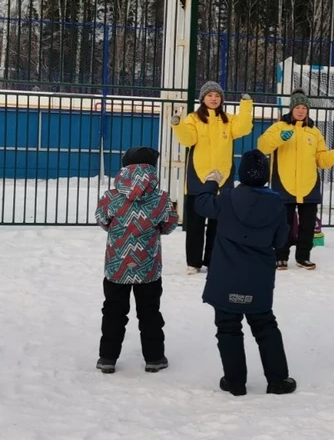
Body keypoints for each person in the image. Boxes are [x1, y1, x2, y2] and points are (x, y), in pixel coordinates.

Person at [195, 150, 297, 396]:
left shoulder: (227, 198)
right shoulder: (277, 203)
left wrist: (211, 182)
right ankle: (278, 381)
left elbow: (201, 205)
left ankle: (235, 382)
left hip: (225, 277)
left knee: (228, 328)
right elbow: (282, 239)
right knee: (265, 326)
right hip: (258, 279)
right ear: (265, 176)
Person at [94, 147, 179, 374]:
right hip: (147, 267)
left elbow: (102, 220)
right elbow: (169, 225)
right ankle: (154, 357)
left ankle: (107, 358)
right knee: (150, 312)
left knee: (113, 311)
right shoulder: (160, 198)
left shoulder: (110, 196)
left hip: (116, 266)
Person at [257, 88, 334, 270]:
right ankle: (280, 257)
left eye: (304, 108)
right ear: (291, 109)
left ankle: (303, 257)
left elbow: (321, 160)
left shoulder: (314, 132)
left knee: (307, 226)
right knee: (284, 224)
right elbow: (262, 146)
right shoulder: (279, 127)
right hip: (283, 185)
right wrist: (279, 138)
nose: (301, 111)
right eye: (297, 107)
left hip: (308, 186)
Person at [170, 81, 253, 274]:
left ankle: (214, 259)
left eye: (217, 96)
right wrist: (178, 125)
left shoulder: (229, 120)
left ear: (221, 99)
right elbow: (188, 139)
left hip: (222, 177)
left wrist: (246, 106)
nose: (214, 99)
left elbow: (244, 128)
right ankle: (194, 262)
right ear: (203, 98)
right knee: (195, 223)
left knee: (219, 223)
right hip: (197, 177)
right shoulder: (193, 119)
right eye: (210, 95)